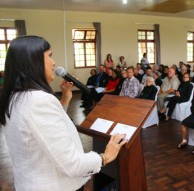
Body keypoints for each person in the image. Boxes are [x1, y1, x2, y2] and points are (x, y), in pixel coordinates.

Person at [0, 36, 127, 191]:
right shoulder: (39, 101)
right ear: (34, 62)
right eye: (49, 56)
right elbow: (72, 164)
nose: (54, 63)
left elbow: (41, 129)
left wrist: (65, 99)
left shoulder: (15, 96)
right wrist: (106, 156)